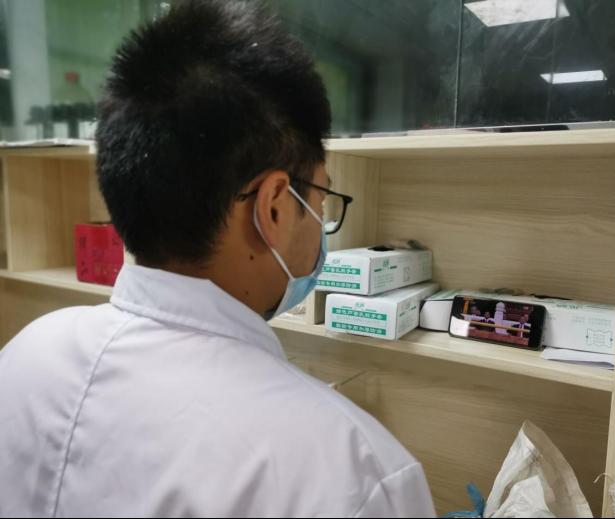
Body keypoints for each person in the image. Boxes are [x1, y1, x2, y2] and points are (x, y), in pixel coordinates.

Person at [0, 1, 435, 517]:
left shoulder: (25, 355)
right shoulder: (356, 473)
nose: (321, 221)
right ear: (274, 208)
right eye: (321, 199)